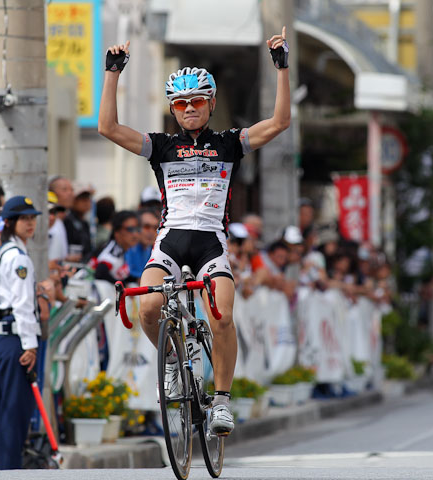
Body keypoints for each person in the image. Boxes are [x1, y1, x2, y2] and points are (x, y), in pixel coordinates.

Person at [98, 26, 291, 435]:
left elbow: (279, 122)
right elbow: (109, 129)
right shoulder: (161, 146)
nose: (189, 108)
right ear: (173, 108)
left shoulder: (229, 143)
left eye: (197, 101)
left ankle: (221, 400)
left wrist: (281, 67)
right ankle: (171, 361)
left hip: (210, 245)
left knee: (221, 313)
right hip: (170, 239)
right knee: (147, 307)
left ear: (211, 103)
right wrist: (113, 72)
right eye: (181, 103)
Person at [0, 196, 48, 470]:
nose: (30, 223)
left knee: (3, 410)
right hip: (14, 340)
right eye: (24, 219)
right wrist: (30, 345)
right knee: (15, 411)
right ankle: (9, 471)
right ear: (10, 223)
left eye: (33, 218)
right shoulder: (18, 258)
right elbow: (23, 305)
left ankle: (2, 468)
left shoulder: (3, 252)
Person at [91, 211, 139, 284]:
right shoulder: (112, 251)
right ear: (117, 232)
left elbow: (116, 275)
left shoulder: (121, 250)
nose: (135, 234)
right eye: (130, 229)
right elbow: (100, 273)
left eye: (137, 229)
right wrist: (123, 286)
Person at [125, 209, 158, 280]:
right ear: (137, 227)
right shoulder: (127, 248)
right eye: (147, 227)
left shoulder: (154, 250)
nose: (152, 232)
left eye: (155, 228)